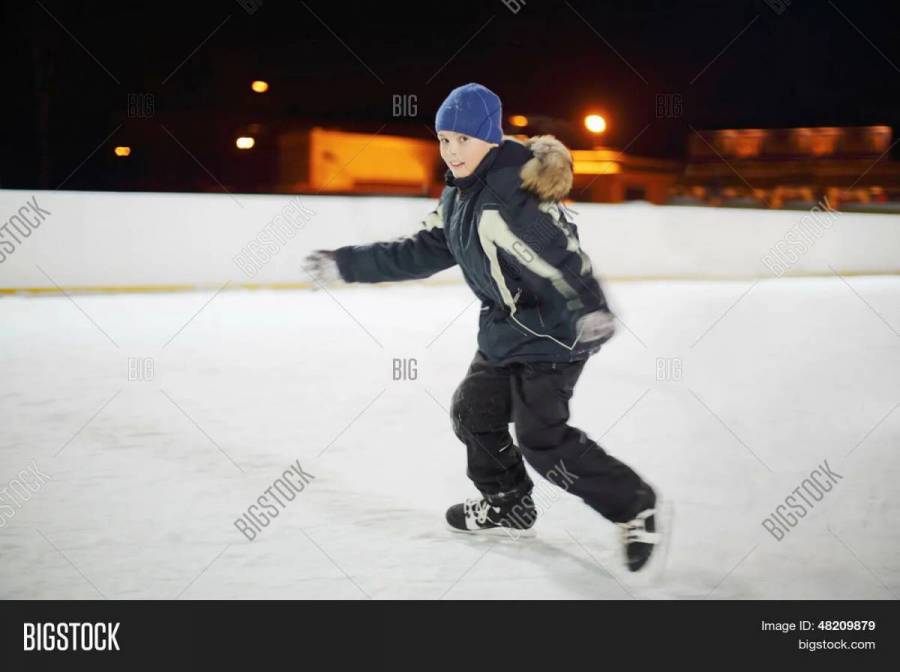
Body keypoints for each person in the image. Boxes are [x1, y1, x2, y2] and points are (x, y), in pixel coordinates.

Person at [303, 83, 661, 571]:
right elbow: (420, 250)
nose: (451, 151)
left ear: (490, 138)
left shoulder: (511, 195)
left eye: (462, 140)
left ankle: (634, 505)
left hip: (553, 335)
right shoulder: (458, 196)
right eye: (444, 140)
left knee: (542, 441)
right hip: (503, 330)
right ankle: (509, 502)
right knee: (472, 412)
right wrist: (348, 264)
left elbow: (562, 255)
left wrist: (589, 307)